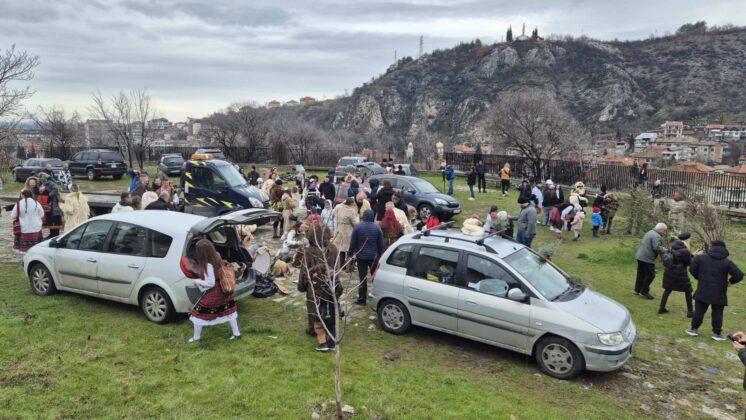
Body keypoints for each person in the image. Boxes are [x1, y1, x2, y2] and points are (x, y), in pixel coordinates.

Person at [686, 240, 743, 340]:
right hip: (719, 292)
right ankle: (717, 334)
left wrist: (699, 278)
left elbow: (692, 269)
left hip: (703, 289)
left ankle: (693, 329)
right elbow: (739, 275)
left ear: (712, 247)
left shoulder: (700, 258)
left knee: (699, 310)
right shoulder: (727, 262)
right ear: (724, 249)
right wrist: (730, 282)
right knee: (717, 313)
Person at [188, 239, 241, 342]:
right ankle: (237, 334)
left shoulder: (208, 265)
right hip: (224, 288)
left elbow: (211, 283)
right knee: (229, 311)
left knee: (198, 314)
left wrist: (196, 281)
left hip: (215, 291)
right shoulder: (217, 255)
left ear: (202, 252)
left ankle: (196, 338)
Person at [349, 210, 384, 305]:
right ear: (372, 217)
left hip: (361, 256)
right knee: (375, 277)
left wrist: (350, 254)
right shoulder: (377, 228)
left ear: (363, 217)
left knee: (362, 278)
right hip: (374, 257)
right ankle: (378, 298)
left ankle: (362, 299)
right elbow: (381, 244)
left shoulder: (357, 227)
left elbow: (353, 242)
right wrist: (380, 255)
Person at [659, 233, 694, 317]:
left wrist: (692, 255)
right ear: (687, 240)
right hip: (680, 273)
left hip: (670, 271)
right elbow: (689, 263)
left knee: (668, 289)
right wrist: (695, 257)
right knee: (688, 291)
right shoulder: (685, 250)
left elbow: (679, 256)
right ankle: (690, 312)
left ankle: (661, 308)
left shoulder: (673, 247)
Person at [634, 223, 667, 300]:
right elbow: (656, 247)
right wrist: (664, 249)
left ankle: (637, 290)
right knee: (651, 275)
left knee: (641, 274)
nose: (665, 233)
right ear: (661, 229)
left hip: (640, 256)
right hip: (647, 258)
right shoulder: (656, 236)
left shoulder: (650, 232)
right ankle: (644, 291)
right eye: (664, 231)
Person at [331, 197, 359, 268]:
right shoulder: (351, 211)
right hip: (347, 232)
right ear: (351, 204)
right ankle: (348, 267)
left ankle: (339, 265)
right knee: (348, 249)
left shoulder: (338, 207)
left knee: (339, 249)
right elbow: (355, 224)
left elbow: (332, 214)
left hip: (338, 230)